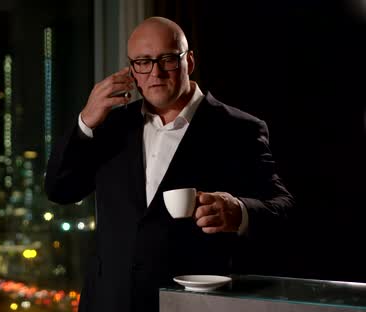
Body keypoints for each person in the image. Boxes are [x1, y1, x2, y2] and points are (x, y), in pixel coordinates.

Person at [44, 16, 294, 312]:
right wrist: (85, 121)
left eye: (167, 59)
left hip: (192, 304)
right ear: (132, 69)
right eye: (143, 62)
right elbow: (60, 189)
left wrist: (238, 211)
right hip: (109, 301)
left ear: (189, 60)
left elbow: (284, 209)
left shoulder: (238, 129)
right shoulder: (112, 126)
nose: (156, 72)